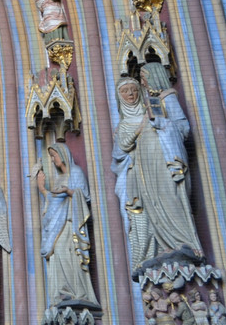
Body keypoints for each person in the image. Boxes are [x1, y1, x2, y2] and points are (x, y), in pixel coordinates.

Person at [112, 75, 203, 273]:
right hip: (139, 174)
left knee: (169, 197)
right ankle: (155, 250)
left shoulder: (153, 109)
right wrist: (142, 125)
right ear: (119, 97)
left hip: (160, 166)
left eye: (133, 89)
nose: (130, 94)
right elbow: (121, 148)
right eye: (125, 91)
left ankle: (182, 240)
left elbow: (175, 130)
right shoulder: (122, 126)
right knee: (146, 210)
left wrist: (153, 121)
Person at [35, 143, 99, 309]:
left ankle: (75, 291)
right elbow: (54, 202)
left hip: (70, 223)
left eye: (54, 155)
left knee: (65, 251)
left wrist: (69, 191)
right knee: (56, 254)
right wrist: (42, 188)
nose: (52, 159)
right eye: (50, 156)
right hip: (57, 224)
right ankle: (62, 291)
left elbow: (84, 196)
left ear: (62, 155)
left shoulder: (75, 172)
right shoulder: (59, 178)